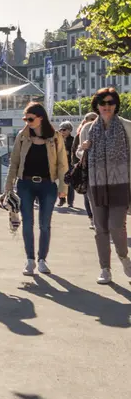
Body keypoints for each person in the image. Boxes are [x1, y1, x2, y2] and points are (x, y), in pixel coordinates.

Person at [5, 103, 67, 275]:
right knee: (27, 223)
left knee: (45, 225)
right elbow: (14, 162)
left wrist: (64, 188)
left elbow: (63, 164)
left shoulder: (55, 137)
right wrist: (8, 186)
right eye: (25, 119)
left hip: (48, 185)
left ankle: (42, 260)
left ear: (41, 117)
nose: (27, 122)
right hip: (25, 184)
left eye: (30, 119)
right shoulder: (22, 136)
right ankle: (30, 260)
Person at [79, 87, 131, 284]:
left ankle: (124, 258)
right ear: (97, 106)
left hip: (121, 182)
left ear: (116, 105)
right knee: (101, 228)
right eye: (103, 103)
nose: (106, 107)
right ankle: (105, 269)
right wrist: (81, 149)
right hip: (96, 183)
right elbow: (79, 155)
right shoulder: (88, 129)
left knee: (116, 226)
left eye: (110, 103)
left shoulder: (127, 126)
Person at [74, 112, 99, 226]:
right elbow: (77, 151)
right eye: (91, 119)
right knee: (88, 198)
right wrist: (84, 151)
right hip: (86, 171)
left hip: (105, 174)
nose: (94, 120)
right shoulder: (83, 131)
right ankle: (93, 218)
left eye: (95, 118)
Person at [58, 121, 75, 208]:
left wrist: (68, 152)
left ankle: (70, 202)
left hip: (70, 164)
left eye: (64, 129)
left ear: (69, 130)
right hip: (60, 164)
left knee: (70, 183)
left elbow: (74, 151)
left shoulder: (73, 140)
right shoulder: (57, 139)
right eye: (60, 129)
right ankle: (62, 199)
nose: (62, 131)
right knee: (61, 182)